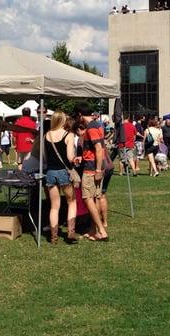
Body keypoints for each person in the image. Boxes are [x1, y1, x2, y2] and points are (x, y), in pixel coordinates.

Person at [75, 102, 108, 242]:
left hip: (91, 169)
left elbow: (99, 148)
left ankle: (101, 231)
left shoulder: (91, 128)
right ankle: (93, 230)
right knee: (94, 198)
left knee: (87, 198)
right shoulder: (98, 125)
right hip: (94, 166)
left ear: (80, 115)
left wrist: (98, 169)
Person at [44, 111, 78, 244]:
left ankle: (54, 237)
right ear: (63, 120)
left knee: (54, 206)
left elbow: (44, 157)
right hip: (63, 171)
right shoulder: (68, 135)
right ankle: (70, 232)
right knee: (71, 201)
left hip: (50, 172)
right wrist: (75, 158)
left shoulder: (46, 135)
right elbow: (70, 156)